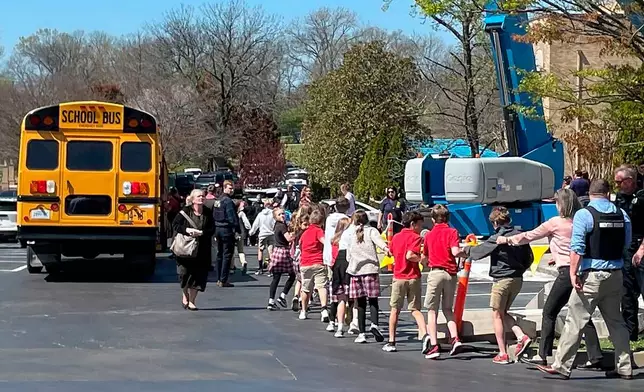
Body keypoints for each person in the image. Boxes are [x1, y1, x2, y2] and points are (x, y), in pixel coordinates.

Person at [536, 179, 633, 380]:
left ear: (590, 194)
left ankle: (562, 365)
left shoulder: (585, 214)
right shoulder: (621, 214)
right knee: (616, 322)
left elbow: (577, 248)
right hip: (615, 274)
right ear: (608, 193)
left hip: (591, 276)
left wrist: (573, 273)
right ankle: (625, 367)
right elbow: (627, 242)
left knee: (575, 320)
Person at [496, 188, 602, 366]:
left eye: (556, 203)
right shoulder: (580, 221)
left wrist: (507, 240)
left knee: (549, 312)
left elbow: (530, 236)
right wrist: (557, 255)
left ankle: (543, 353)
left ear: (561, 204)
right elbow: (574, 245)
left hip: (566, 273)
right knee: (581, 313)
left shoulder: (555, 222)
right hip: (581, 270)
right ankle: (595, 354)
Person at [464, 207, 533, 364]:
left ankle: (503, 353)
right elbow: (530, 257)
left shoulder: (498, 237)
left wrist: (465, 249)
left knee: (496, 315)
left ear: (495, 222)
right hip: (517, 278)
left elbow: (478, 251)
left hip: (502, 280)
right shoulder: (518, 235)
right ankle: (521, 336)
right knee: (502, 312)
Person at [422, 205, 466, 359]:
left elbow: (425, 258)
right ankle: (455, 338)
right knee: (448, 309)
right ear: (448, 218)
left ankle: (434, 345)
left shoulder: (429, 235)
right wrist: (465, 252)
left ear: (433, 219)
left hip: (436, 272)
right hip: (450, 273)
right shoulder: (452, 232)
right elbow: (455, 252)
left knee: (432, 310)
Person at [383, 211, 431, 355]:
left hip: (399, 277)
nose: (420, 228)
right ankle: (424, 334)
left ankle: (391, 341)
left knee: (395, 310)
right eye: (419, 225)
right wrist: (422, 260)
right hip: (413, 277)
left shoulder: (396, 237)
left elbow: (390, 252)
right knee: (415, 310)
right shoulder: (416, 237)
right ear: (413, 224)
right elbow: (410, 255)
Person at [346, 210, 389, 343]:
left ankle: (362, 333)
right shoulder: (372, 231)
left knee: (360, 303)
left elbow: (348, 254)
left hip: (356, 271)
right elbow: (380, 243)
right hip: (370, 269)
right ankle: (374, 325)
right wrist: (387, 250)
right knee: (373, 300)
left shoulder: (352, 234)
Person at [612, 165, 644, 342]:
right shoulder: (620, 199)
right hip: (626, 248)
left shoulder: (642, 197)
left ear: (630, 181)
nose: (617, 186)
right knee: (627, 293)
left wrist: (641, 249)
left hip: (640, 245)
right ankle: (630, 333)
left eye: (619, 182)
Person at [172, 189, 214, 311]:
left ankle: (192, 301)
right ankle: (185, 295)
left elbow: (212, 228)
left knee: (198, 275)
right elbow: (175, 224)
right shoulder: (186, 211)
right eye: (199, 196)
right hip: (186, 249)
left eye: (203, 196)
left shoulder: (207, 212)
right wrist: (187, 231)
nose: (201, 198)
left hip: (202, 249)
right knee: (184, 274)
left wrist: (202, 232)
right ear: (193, 199)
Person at [298, 209, 329, 321]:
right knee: (321, 286)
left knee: (306, 288)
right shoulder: (319, 231)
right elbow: (324, 241)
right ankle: (324, 309)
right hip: (318, 262)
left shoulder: (305, 233)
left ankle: (303, 311)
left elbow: (300, 246)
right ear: (321, 222)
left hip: (305, 263)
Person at [267, 208, 297, 310]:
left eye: (283, 213)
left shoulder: (277, 225)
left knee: (276, 277)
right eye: (280, 214)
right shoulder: (282, 226)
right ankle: (283, 295)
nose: (282, 215)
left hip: (277, 250)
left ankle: (271, 301)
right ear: (275, 217)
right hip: (283, 251)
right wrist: (297, 233)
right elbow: (288, 238)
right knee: (292, 274)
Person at [327, 217, 352, 337]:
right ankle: (350, 321)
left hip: (335, 267)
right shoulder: (347, 240)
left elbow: (333, 256)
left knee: (336, 299)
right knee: (349, 298)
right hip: (346, 267)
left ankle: (333, 321)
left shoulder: (334, 240)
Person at [213, 180, 239, 287]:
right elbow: (232, 217)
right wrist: (237, 230)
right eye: (230, 188)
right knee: (227, 255)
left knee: (219, 254)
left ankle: (219, 278)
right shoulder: (228, 201)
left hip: (217, 228)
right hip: (226, 229)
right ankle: (223, 279)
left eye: (232, 188)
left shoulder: (218, 200)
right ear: (224, 188)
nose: (231, 190)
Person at [249, 200, 276, 275]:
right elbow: (275, 223)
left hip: (262, 234)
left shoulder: (260, 214)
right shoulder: (273, 214)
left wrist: (251, 232)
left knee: (260, 250)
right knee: (271, 251)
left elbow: (256, 224)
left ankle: (260, 268)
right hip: (271, 233)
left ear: (264, 205)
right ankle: (271, 269)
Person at [235, 199, 252, 275]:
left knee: (231, 250)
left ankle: (232, 267)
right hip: (241, 233)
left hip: (233, 233)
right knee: (240, 250)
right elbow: (247, 223)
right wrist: (249, 228)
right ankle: (243, 262)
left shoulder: (232, 212)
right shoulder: (241, 213)